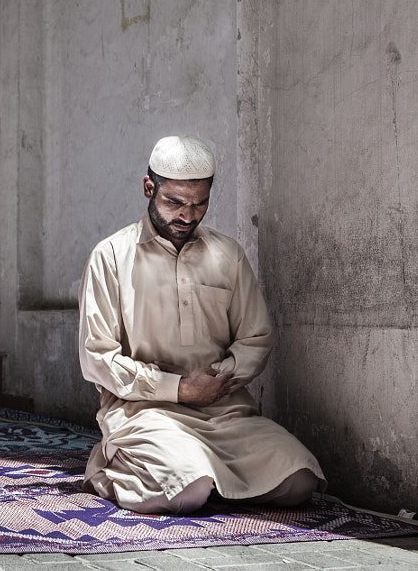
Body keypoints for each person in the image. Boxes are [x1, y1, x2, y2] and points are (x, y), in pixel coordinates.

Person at [78, 134, 325, 515]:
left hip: (223, 411)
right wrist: (176, 389)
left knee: (300, 479)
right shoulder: (110, 256)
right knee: (187, 490)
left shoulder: (228, 254)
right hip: (144, 412)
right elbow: (97, 357)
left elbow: (256, 338)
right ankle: (114, 465)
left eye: (200, 203)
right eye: (174, 202)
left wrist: (210, 383)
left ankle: (201, 475)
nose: (188, 215)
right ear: (149, 188)